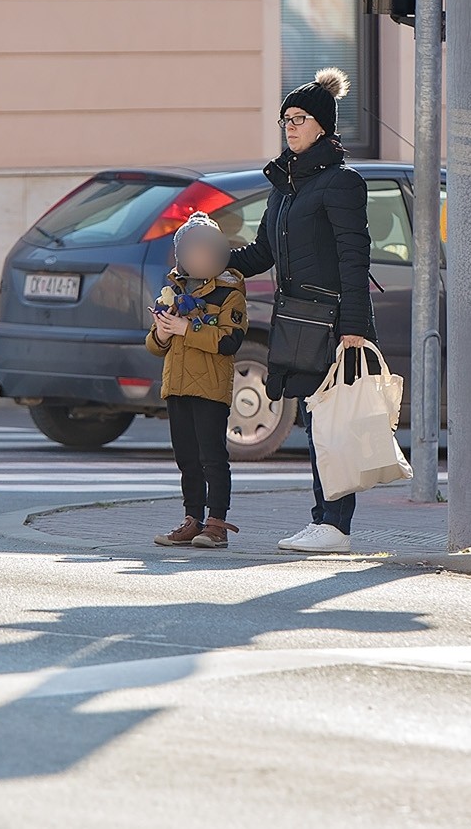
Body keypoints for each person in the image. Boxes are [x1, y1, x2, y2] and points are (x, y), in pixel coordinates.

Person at [228, 67, 374, 554]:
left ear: (323, 126)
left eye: (300, 118)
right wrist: (213, 261)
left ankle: (334, 525)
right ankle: (324, 520)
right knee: (315, 420)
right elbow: (261, 253)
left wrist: (355, 328)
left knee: (331, 423)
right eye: (286, 119)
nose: (290, 126)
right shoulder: (285, 187)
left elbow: (355, 259)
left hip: (333, 322)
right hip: (297, 321)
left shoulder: (341, 183)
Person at [146, 212, 249, 549]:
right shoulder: (172, 288)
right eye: (192, 251)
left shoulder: (229, 291)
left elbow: (229, 341)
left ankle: (216, 522)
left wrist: (188, 329)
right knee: (186, 457)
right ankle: (192, 518)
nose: (199, 258)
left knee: (212, 457)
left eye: (206, 251)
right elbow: (154, 345)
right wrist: (162, 331)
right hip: (176, 386)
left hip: (210, 387)